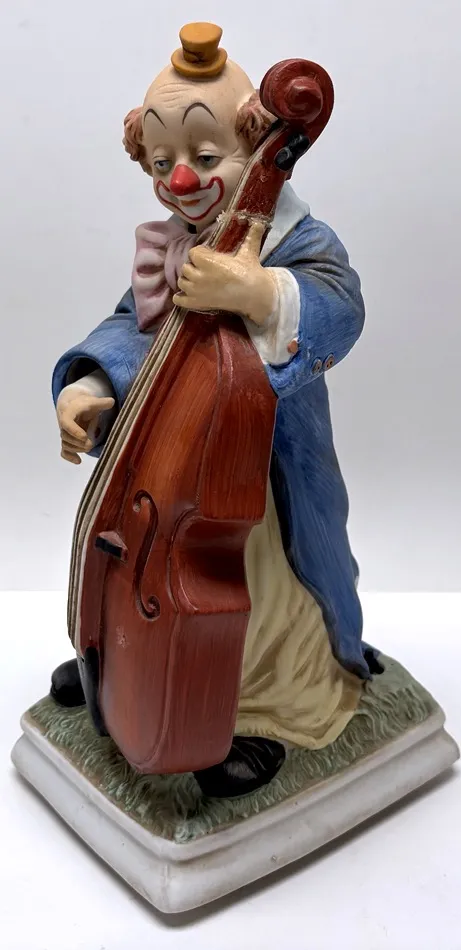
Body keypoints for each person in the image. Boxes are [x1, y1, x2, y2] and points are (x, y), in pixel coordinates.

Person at [51, 23, 380, 799]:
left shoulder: (298, 239)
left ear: (255, 143)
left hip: (259, 471)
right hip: (169, 458)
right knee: (131, 549)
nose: (181, 180)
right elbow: (133, 327)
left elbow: (341, 309)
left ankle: (263, 706)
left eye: (205, 158)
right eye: (162, 162)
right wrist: (91, 385)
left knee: (260, 588)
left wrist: (258, 292)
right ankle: (119, 654)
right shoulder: (174, 243)